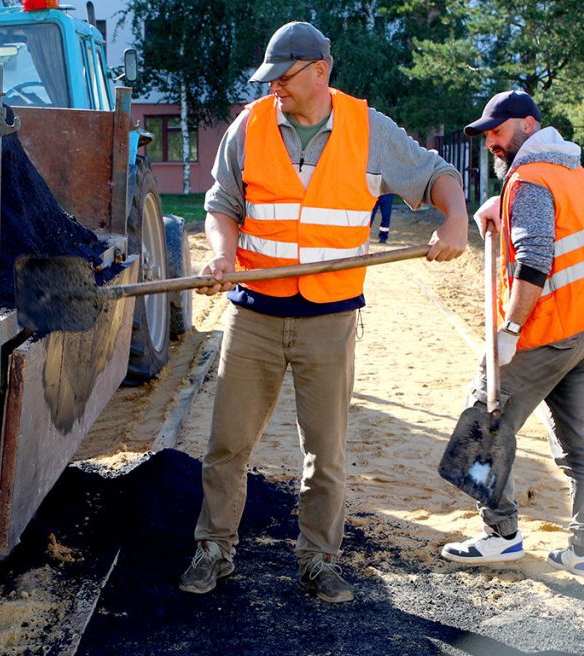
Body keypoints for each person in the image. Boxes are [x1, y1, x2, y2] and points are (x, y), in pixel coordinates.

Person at [180, 21, 468, 603]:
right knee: (227, 444)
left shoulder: (369, 130)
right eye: (270, 80)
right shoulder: (251, 125)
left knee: (326, 452)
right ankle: (214, 548)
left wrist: (455, 219)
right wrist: (222, 253)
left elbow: (437, 175)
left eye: (284, 78)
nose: (274, 89)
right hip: (255, 314)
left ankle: (318, 559)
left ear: (320, 72)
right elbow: (221, 205)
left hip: (330, 319)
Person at [440, 91, 584, 578]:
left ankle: (500, 535)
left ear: (529, 126)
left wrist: (510, 331)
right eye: (487, 134)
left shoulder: (531, 180)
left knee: (483, 424)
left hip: (545, 331)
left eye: (498, 130)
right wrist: (503, 201)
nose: (491, 141)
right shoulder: (569, 170)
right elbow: (556, 226)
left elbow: (535, 260)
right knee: (580, 447)